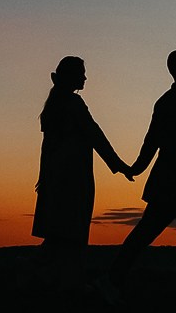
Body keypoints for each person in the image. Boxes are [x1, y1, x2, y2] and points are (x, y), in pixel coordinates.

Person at [105, 48, 176, 300]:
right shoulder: (174, 102)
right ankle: (111, 280)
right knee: (150, 235)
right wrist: (137, 167)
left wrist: (137, 167)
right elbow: (160, 141)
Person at [32, 55, 130, 290]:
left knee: (59, 234)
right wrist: (118, 164)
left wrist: (44, 176)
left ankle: (51, 279)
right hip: (72, 177)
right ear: (71, 77)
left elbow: (47, 147)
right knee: (72, 232)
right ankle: (65, 282)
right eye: (81, 74)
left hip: (57, 176)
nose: (85, 78)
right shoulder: (73, 103)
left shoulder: (55, 104)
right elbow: (94, 134)